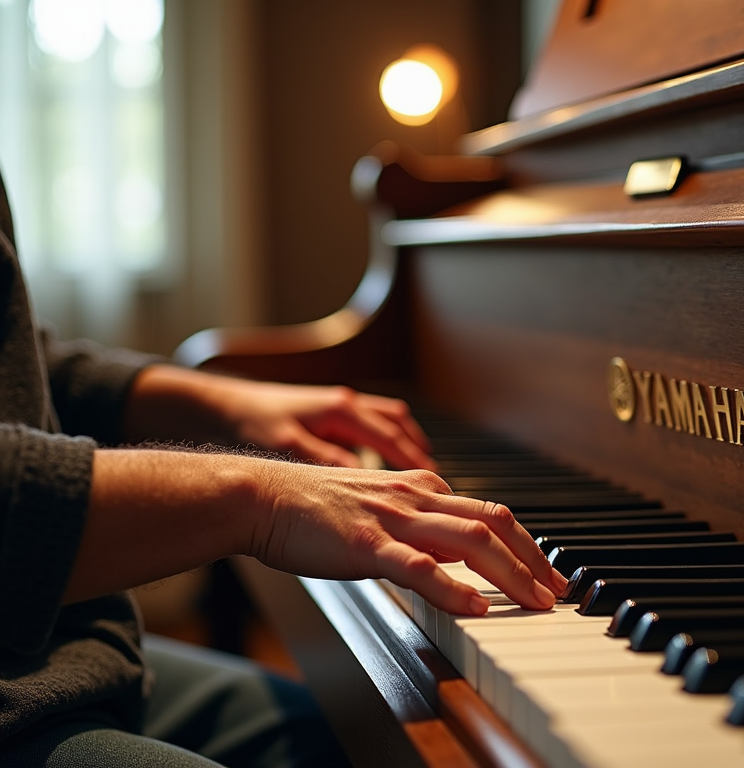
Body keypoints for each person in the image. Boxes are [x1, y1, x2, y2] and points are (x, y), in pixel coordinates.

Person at [0, 170, 568, 767]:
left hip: (62, 650)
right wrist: (263, 499)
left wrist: (223, 402)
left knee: (359, 745)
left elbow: (20, 365)